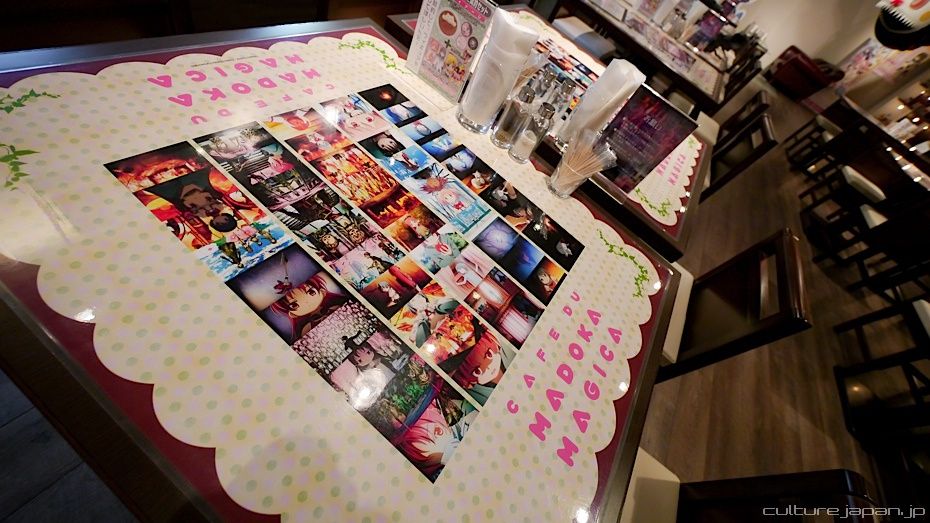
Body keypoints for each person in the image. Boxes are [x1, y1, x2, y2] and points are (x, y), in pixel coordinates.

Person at [268, 273, 346, 343]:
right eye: (294, 305)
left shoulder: (340, 304)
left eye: (311, 292)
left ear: (322, 292)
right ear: (292, 314)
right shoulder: (305, 329)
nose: (306, 302)